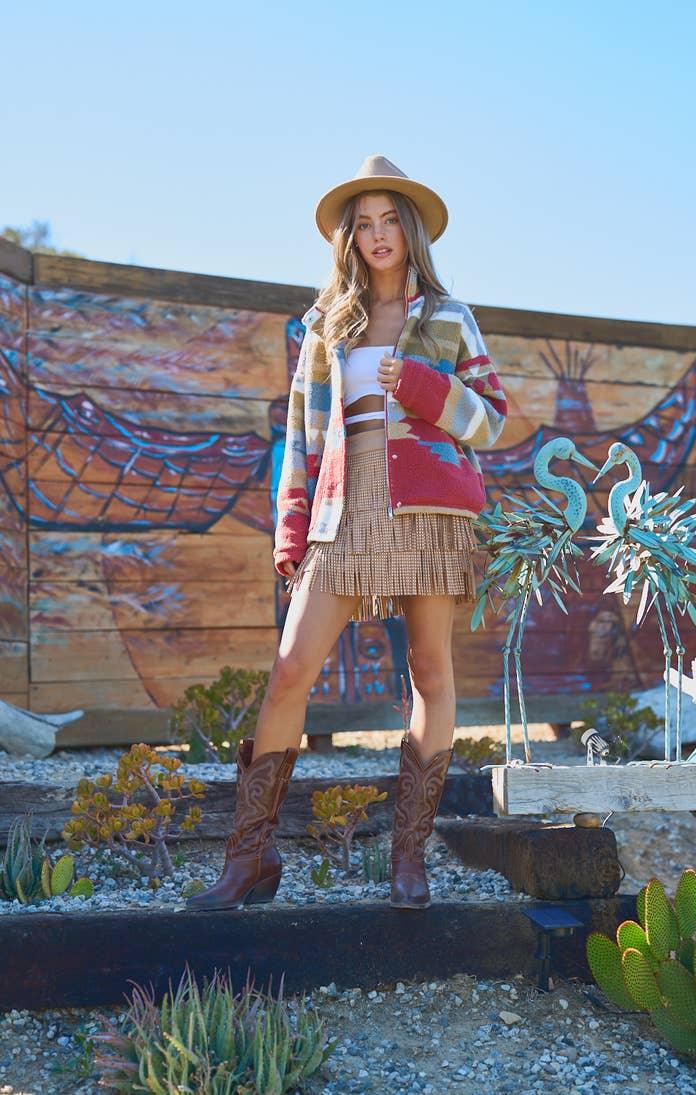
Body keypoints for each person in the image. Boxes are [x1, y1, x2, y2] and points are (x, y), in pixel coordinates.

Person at [188, 154, 508, 912]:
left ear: (410, 229)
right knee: (290, 668)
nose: (377, 234)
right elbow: (301, 436)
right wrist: (291, 528)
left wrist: (426, 386)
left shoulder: (450, 317)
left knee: (430, 674)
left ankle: (409, 857)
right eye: (363, 224)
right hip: (342, 507)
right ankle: (250, 857)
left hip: (430, 513)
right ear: (350, 238)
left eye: (389, 219)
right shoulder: (326, 324)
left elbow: (492, 419)